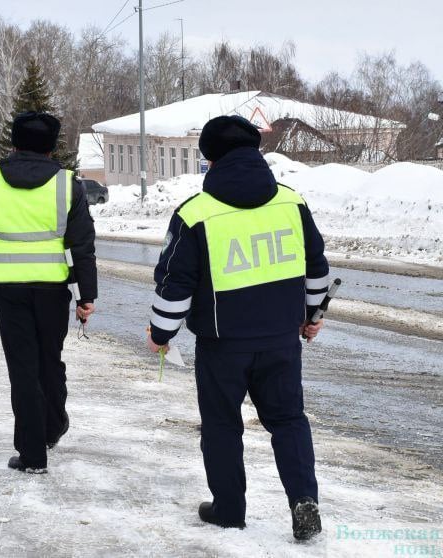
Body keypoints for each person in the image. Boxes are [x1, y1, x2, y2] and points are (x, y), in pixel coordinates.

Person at [146, 115, 329, 541]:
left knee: (222, 425)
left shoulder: (195, 213)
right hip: (282, 340)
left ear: (209, 158)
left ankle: (228, 510)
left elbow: (175, 283)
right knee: (288, 421)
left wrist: (161, 334)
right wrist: (312, 314)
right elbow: (316, 266)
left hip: (221, 345)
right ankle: (304, 500)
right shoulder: (291, 202)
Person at [0, 111, 97, 474]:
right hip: (53, 290)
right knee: (50, 361)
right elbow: (82, 246)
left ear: (14, 143)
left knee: (23, 369)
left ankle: (33, 453)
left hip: (9, 292)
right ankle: (53, 425)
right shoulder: (68, 185)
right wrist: (86, 297)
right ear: (52, 147)